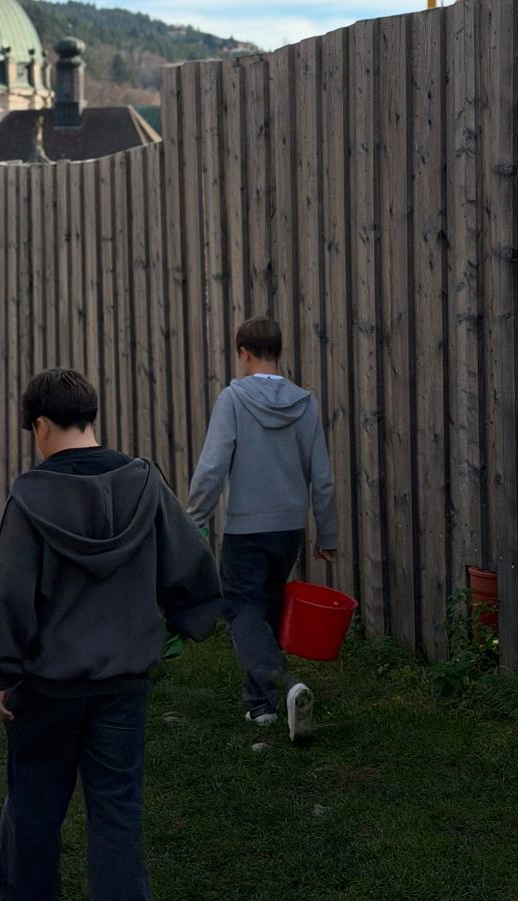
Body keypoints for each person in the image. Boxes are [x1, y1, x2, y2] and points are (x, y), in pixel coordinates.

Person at [0, 367, 221, 901]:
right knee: (117, 817)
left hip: (46, 689)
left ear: (40, 425)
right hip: (123, 683)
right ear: (91, 417)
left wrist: (3, 670)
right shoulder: (145, 482)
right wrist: (184, 625)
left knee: (33, 816)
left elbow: (11, 595)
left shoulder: (28, 499)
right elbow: (192, 565)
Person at [186, 316, 336, 741]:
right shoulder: (304, 402)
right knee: (266, 608)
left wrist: (193, 522)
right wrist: (327, 535)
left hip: (246, 530)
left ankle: (283, 685)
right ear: (278, 351)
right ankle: (262, 708)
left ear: (244, 354)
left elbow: (212, 467)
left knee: (239, 608)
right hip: (289, 529)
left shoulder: (233, 400)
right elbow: (321, 476)